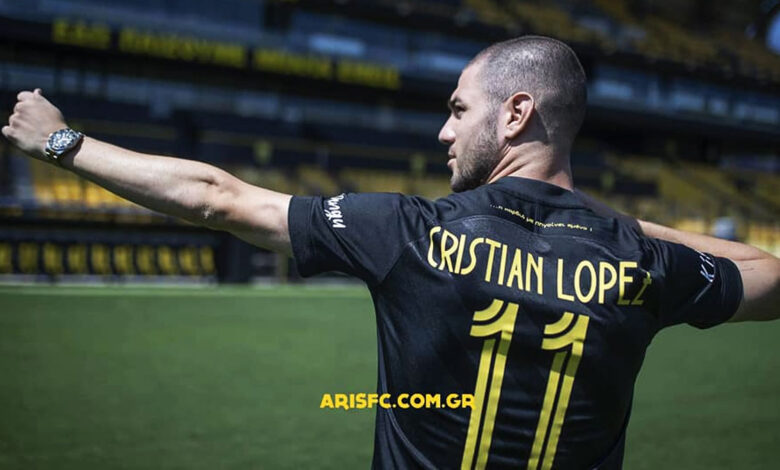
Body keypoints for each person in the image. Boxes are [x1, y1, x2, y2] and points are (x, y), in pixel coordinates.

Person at [3, 36, 778, 469]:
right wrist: (624, 230)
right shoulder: (636, 260)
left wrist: (63, 143)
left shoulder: (412, 231)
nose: (443, 131)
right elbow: (767, 274)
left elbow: (218, 197)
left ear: (516, 114)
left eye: (458, 110)